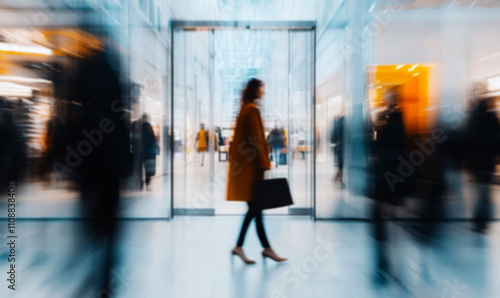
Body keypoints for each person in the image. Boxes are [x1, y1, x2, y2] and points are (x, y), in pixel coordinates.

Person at [227, 78, 287, 264]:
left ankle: (265, 249)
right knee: (255, 210)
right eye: (262, 89)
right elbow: (256, 141)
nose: (264, 92)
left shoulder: (244, 109)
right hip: (253, 171)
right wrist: (264, 164)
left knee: (256, 210)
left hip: (246, 171)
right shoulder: (252, 110)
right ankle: (243, 247)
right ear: (255, 90)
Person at [466, 97, 499, 233]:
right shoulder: (492, 118)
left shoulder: (473, 118)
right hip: (488, 161)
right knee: (484, 193)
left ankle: (478, 221)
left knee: (479, 192)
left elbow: (467, 140)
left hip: (476, 162)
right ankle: (482, 221)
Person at [140, 113, 159, 191]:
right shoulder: (149, 127)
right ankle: (147, 184)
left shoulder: (140, 126)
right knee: (148, 169)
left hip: (142, 151)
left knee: (141, 168)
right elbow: (153, 138)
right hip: (149, 152)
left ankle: (140, 185)